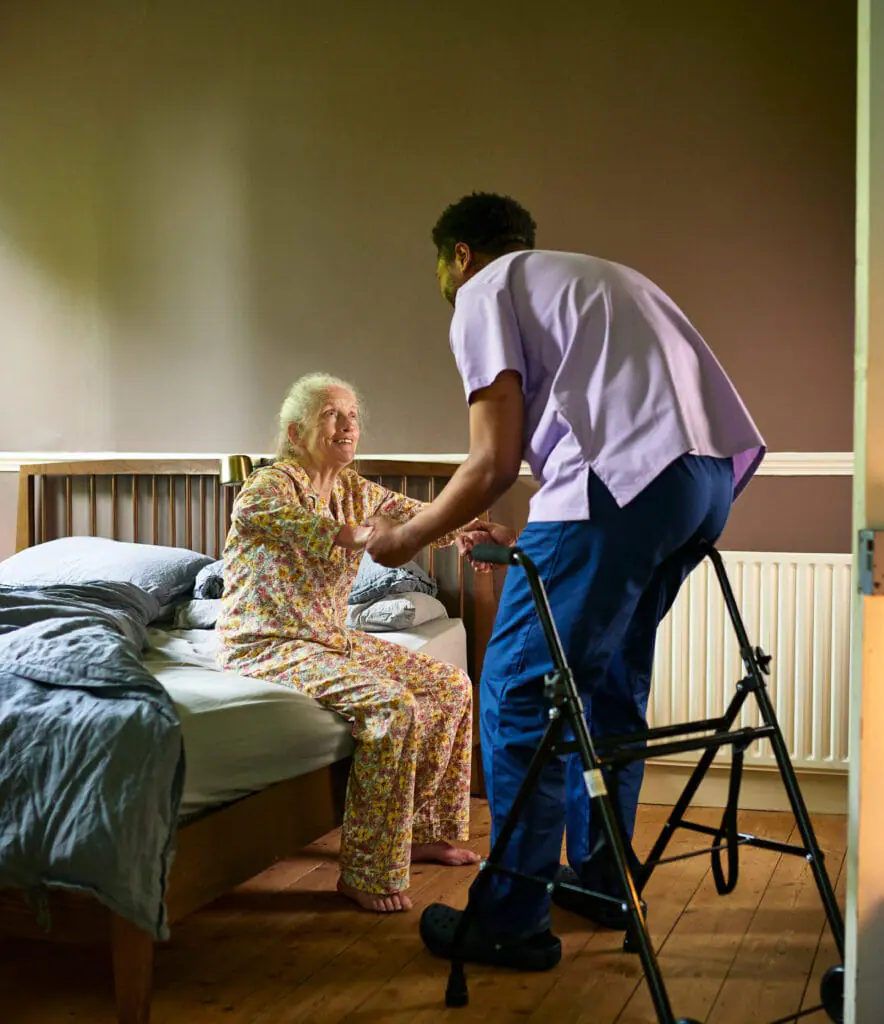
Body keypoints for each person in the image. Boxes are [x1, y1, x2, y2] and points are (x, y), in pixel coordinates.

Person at [362, 193, 765, 969]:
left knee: (519, 694)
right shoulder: (595, 278)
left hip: (618, 485)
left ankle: (511, 916)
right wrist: (540, 533)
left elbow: (492, 461)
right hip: (699, 482)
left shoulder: (485, 289)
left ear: (459, 256)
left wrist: (403, 536)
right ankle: (608, 877)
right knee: (606, 684)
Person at [216, 372, 489, 913]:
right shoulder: (267, 486)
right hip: (265, 642)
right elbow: (299, 525)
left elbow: (420, 515)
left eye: (352, 415)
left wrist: (476, 528)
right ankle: (365, 869)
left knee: (450, 684)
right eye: (330, 414)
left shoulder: (352, 489)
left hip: (327, 637)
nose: (347, 424)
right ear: (296, 433)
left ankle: (422, 830)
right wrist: (370, 535)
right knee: (392, 707)